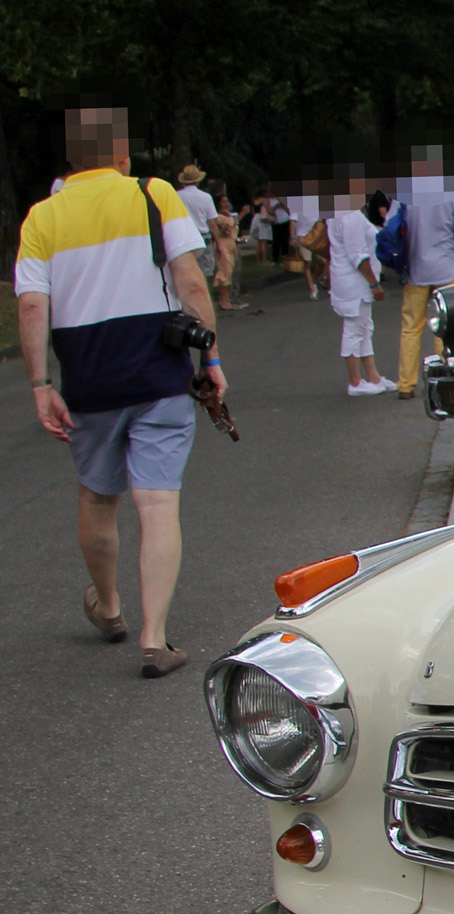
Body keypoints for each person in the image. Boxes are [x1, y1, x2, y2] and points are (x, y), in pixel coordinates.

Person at [15, 107, 225, 678]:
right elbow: (188, 277)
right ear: (120, 153)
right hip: (158, 369)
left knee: (96, 498)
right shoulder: (154, 193)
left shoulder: (42, 216)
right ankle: (155, 638)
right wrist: (210, 356)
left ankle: (108, 608)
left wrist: (41, 385)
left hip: (87, 377)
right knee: (156, 504)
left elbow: (33, 304)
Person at [395, 150, 454, 399]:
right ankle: (446, 375)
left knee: (411, 327)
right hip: (445, 269)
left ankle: (405, 384)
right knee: (446, 325)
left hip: (415, 270)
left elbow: (392, 228)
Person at [329, 190, 392, 394]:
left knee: (364, 327)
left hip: (349, 280)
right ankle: (355, 381)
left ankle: (373, 376)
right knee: (355, 329)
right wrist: (374, 283)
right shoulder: (350, 216)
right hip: (355, 282)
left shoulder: (342, 213)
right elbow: (358, 255)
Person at [176, 164, 218, 285]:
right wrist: (218, 241)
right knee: (203, 272)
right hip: (203, 237)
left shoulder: (177, 196)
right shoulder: (206, 197)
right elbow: (212, 222)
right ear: (198, 181)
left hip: (185, 237)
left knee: (186, 272)